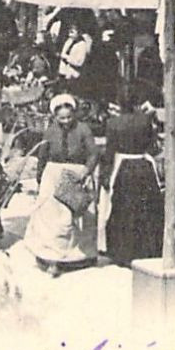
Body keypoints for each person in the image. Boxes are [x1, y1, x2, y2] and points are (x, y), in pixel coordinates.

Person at [24, 93, 100, 274]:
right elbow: (43, 154)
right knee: (51, 219)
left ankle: (81, 256)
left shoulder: (83, 129)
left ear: (74, 114)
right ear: (55, 116)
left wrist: (86, 170)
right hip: (54, 174)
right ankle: (52, 257)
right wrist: (41, 178)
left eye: (69, 117)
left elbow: (93, 153)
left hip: (77, 174)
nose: (65, 121)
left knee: (79, 217)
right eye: (61, 118)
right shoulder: (50, 130)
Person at [99, 88, 162, 267]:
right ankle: (147, 249)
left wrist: (106, 174)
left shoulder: (113, 123)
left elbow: (110, 152)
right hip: (143, 167)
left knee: (123, 210)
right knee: (146, 209)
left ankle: (124, 252)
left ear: (119, 104)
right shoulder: (145, 121)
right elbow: (153, 147)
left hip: (124, 168)